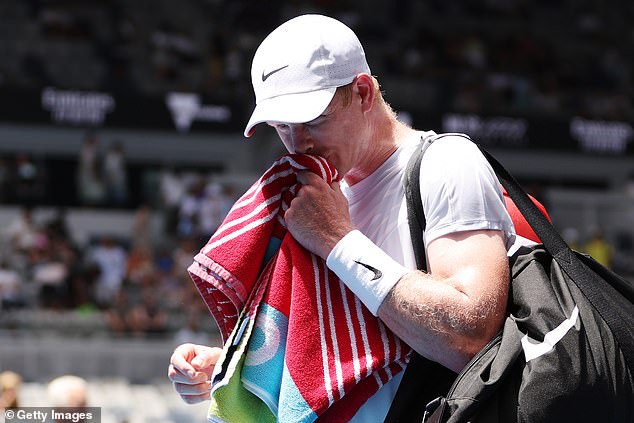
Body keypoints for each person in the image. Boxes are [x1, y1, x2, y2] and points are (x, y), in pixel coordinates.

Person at [168, 14, 521, 420]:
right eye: (283, 126)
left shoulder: (447, 162)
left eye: (315, 120)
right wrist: (240, 373)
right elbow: (333, 356)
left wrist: (338, 240)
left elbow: (472, 336)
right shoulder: (309, 194)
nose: (299, 143)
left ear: (363, 92)